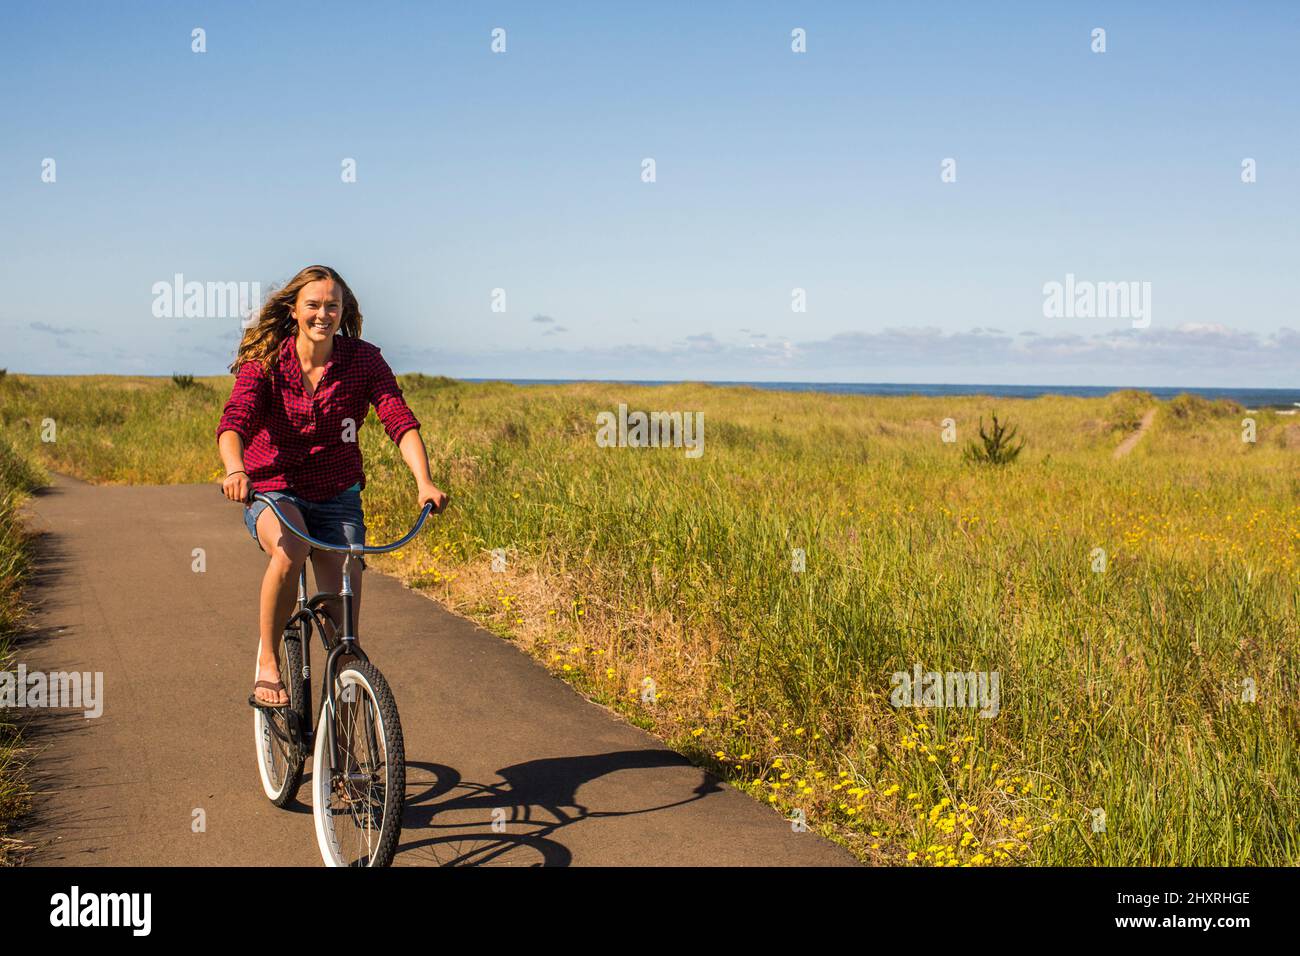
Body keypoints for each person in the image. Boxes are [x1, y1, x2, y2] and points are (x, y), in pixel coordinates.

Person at [216, 264, 448, 706]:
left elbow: (398, 419)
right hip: (273, 489)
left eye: (332, 306)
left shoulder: (362, 360)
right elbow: (235, 422)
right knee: (291, 550)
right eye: (313, 305)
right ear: (294, 310)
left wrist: (425, 481)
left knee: (344, 628)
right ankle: (267, 660)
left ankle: (345, 753)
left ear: (343, 311)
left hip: (338, 495)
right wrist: (235, 470)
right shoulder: (266, 362)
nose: (323, 314)